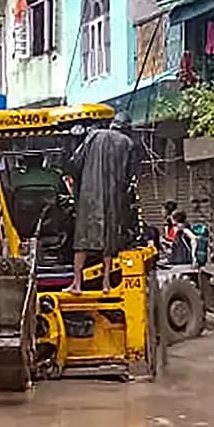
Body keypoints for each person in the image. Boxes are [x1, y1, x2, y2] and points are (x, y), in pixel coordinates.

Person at [66, 114, 137, 294]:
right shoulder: (127, 143)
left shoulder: (93, 136)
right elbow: (129, 176)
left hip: (89, 198)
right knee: (109, 242)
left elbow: (74, 163)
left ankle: (76, 284)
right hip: (114, 199)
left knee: (81, 241)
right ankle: (106, 283)